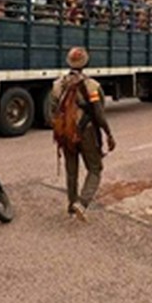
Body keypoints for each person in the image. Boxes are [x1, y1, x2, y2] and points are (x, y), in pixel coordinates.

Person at [51, 47, 116, 221]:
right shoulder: (92, 86)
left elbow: (53, 112)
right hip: (86, 132)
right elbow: (99, 115)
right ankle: (82, 203)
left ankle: (72, 206)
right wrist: (108, 134)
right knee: (95, 169)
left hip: (66, 133)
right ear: (86, 63)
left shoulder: (57, 85)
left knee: (71, 171)